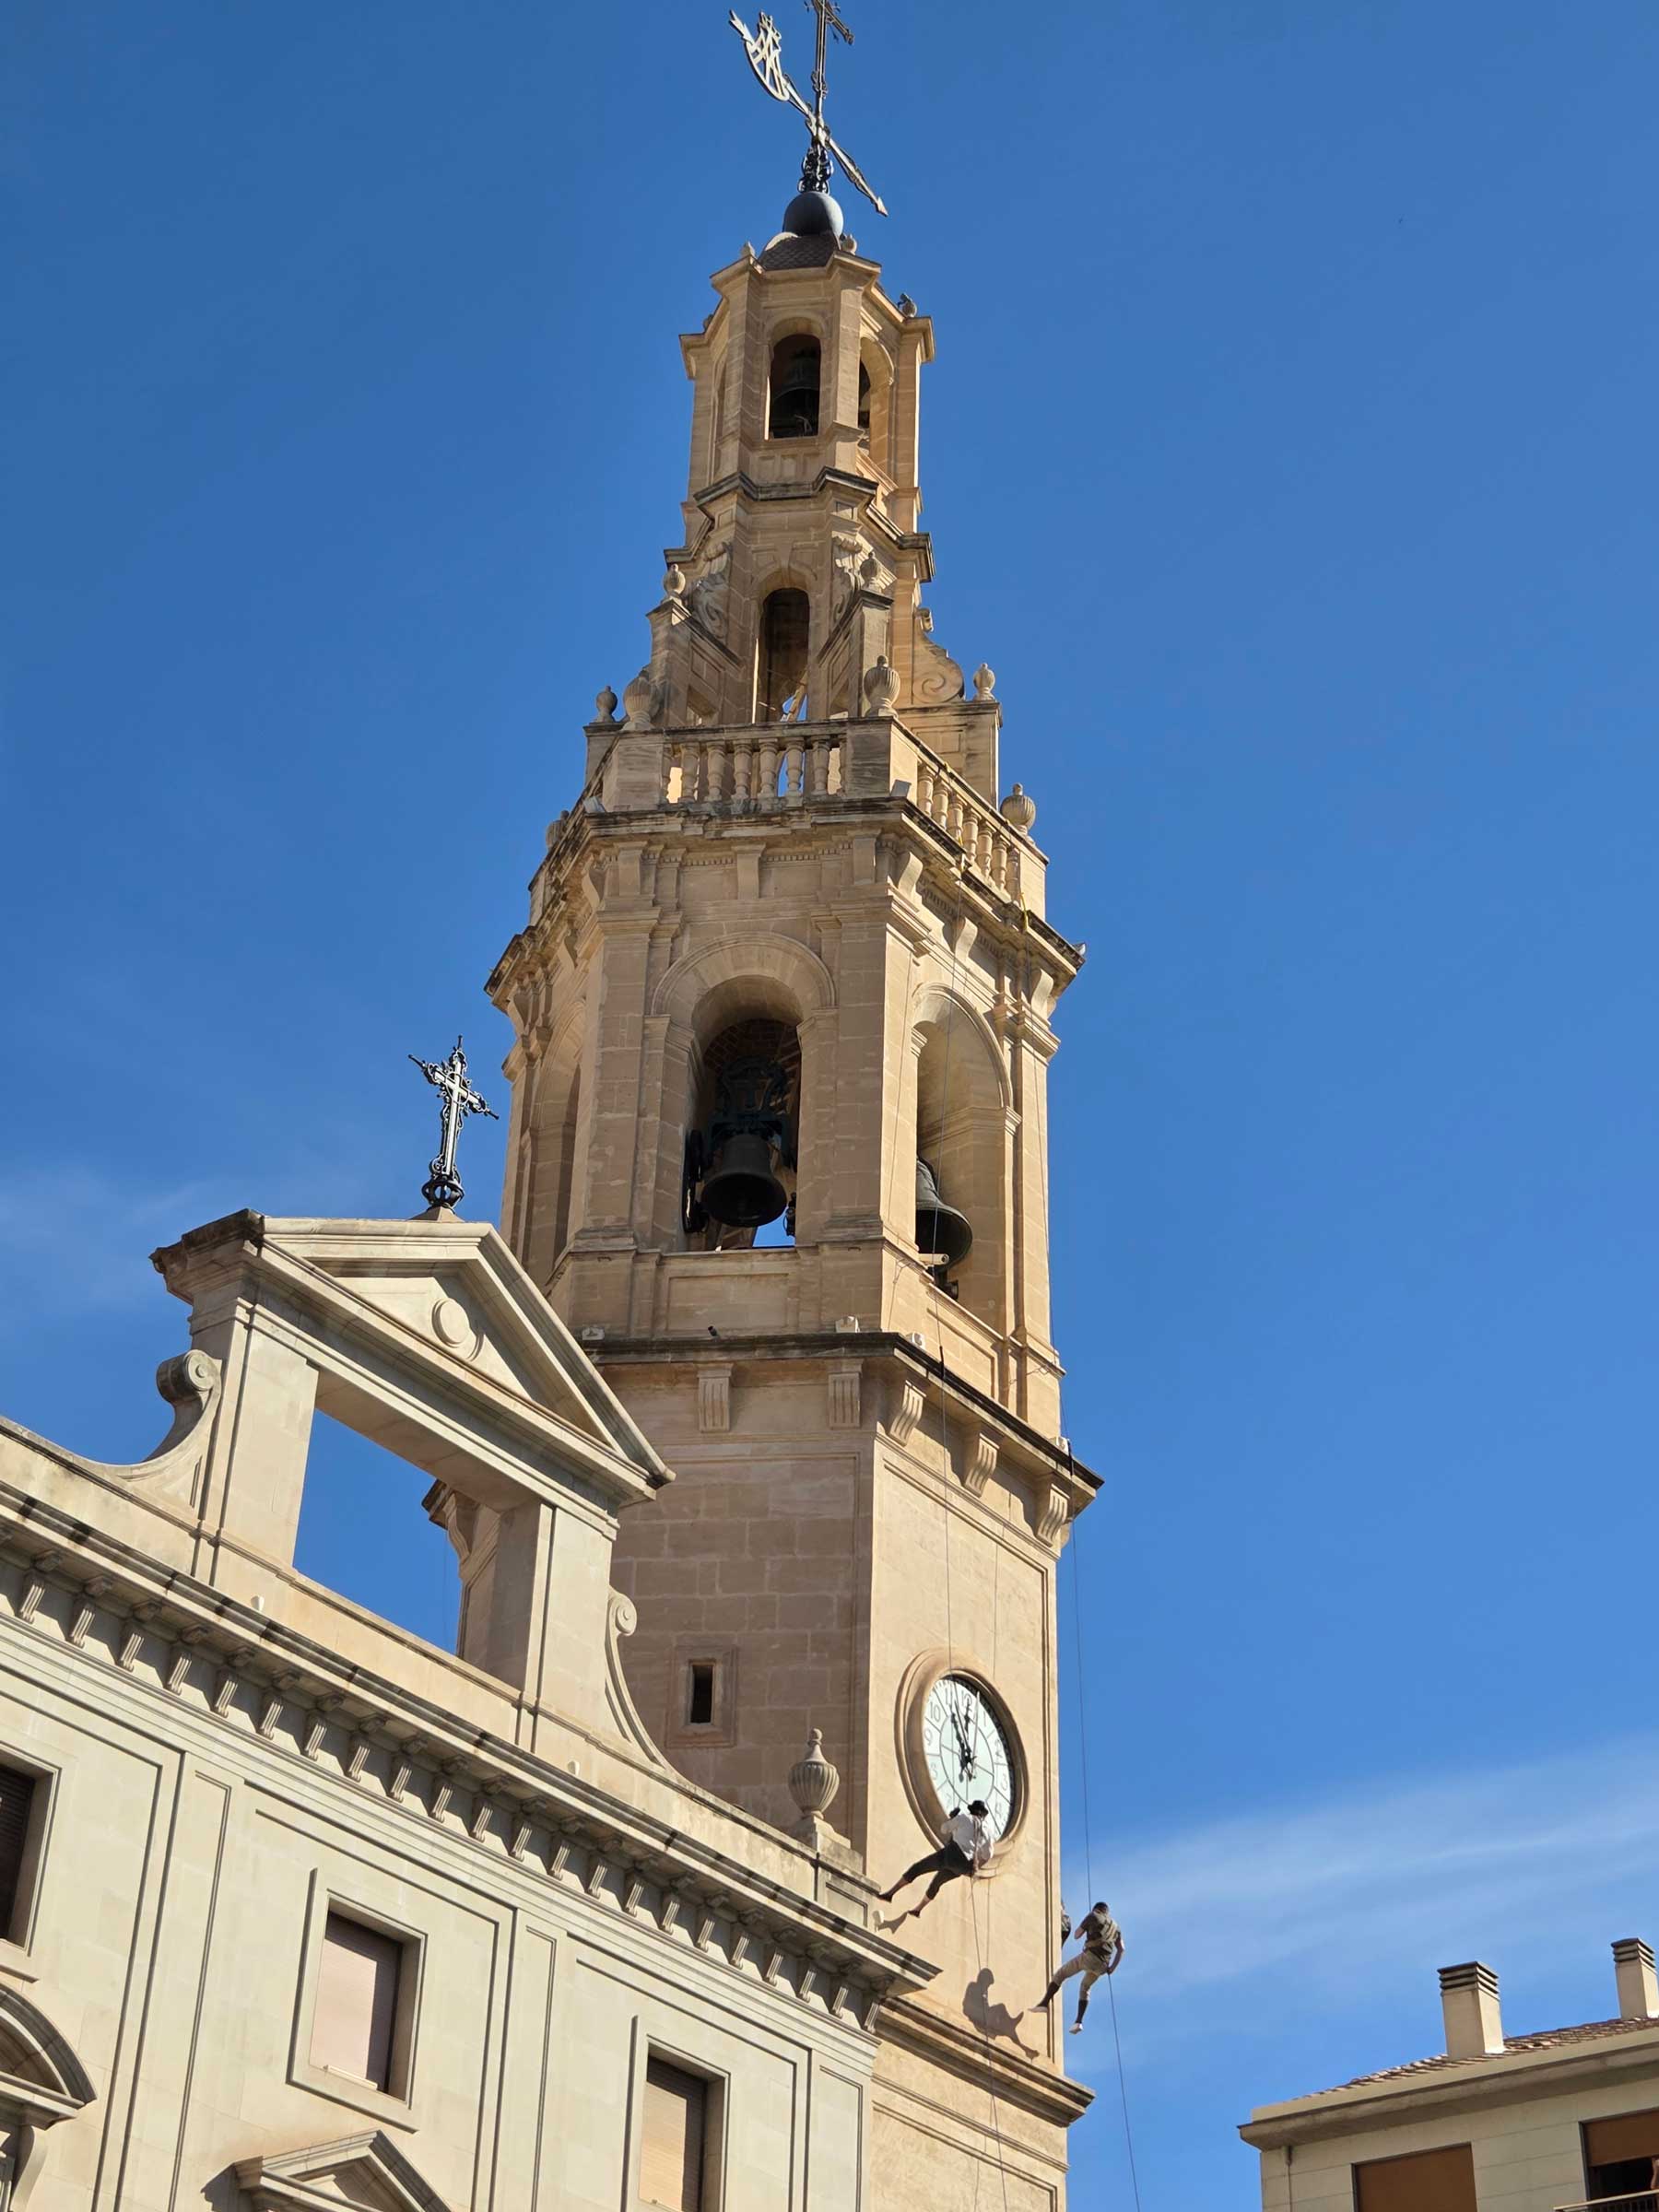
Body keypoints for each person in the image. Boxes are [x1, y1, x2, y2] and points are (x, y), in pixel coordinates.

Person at [880, 1802, 994, 1921]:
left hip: (952, 1854)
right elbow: (988, 1854)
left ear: (972, 1810)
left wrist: (953, 1819)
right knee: (937, 1882)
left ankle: (890, 1894)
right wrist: (974, 1869)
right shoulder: (987, 1832)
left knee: (919, 1868)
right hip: (964, 1865)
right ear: (982, 1815)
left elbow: (944, 1829)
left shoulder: (965, 1817)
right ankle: (918, 1910)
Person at [1034, 1900, 1124, 2034]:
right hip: (1102, 1966)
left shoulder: (1094, 1916)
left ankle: (1044, 2004)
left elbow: (1076, 1935)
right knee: (1085, 1988)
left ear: (1097, 1909)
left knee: (1061, 1974)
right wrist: (1112, 1968)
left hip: (1089, 1958)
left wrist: (1087, 1928)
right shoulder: (1116, 1927)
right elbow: (1121, 1949)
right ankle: (1078, 2022)